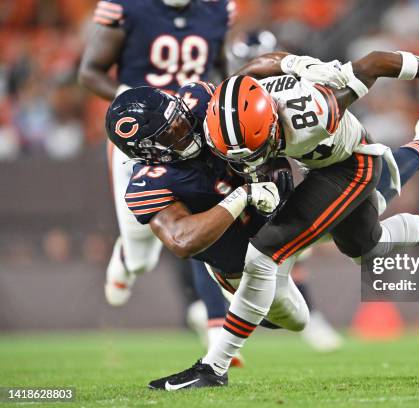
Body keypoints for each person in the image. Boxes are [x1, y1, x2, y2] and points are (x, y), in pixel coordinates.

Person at [149, 50, 419, 389]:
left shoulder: (318, 109)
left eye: (256, 150)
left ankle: (214, 367)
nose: (249, 161)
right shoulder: (228, 104)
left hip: (349, 165)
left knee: (265, 253)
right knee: (368, 248)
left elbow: (376, 62)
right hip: (317, 165)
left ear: (273, 122)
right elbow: (256, 68)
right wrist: (291, 62)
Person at [77, 0, 242, 355]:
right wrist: (145, 107)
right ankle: (127, 256)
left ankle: (218, 327)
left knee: (205, 214)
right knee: (143, 256)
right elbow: (89, 73)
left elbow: (220, 70)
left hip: (196, 131)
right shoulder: (126, 8)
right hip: (143, 140)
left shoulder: (217, 10)